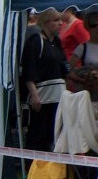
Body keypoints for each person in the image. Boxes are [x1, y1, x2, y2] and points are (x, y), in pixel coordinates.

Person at [21, 9, 69, 154]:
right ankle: (35, 167)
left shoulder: (57, 42)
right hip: (42, 97)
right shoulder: (35, 42)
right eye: (56, 20)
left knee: (53, 133)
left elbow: (63, 67)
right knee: (38, 133)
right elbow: (29, 70)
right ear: (46, 22)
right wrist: (34, 95)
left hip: (58, 96)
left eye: (61, 20)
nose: (60, 23)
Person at [68, 11, 98, 100]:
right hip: (93, 95)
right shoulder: (83, 47)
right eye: (93, 25)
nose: (97, 28)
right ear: (87, 28)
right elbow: (67, 70)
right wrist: (83, 80)